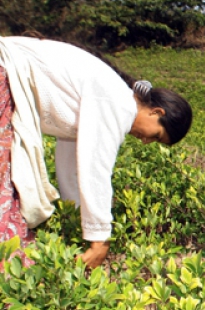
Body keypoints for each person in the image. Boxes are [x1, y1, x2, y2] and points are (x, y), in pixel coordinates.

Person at [0, 35, 192, 268]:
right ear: (157, 112)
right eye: (155, 136)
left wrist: (75, 219)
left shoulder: (112, 99)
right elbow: (95, 168)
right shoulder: (119, 103)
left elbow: (70, 167)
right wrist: (99, 239)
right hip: (6, 71)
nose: (145, 141)